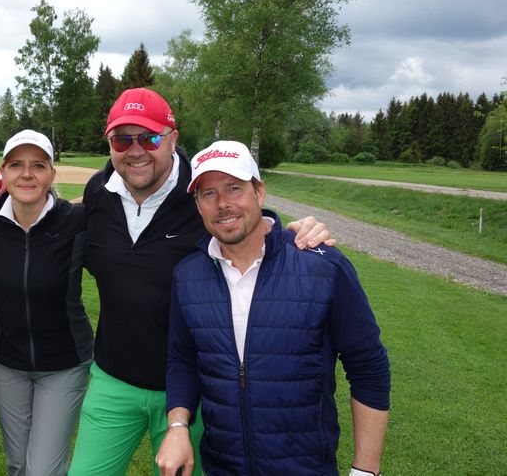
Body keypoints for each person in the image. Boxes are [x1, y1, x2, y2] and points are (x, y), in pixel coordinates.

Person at [68, 88, 335, 476]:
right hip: (112, 379)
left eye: (150, 137)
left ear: (173, 138)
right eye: (122, 139)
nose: (136, 150)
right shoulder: (100, 189)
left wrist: (299, 231)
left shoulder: (202, 191)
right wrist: (25, 195)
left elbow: (245, 221)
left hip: (191, 387)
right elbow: (68, 219)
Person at [156, 140, 391, 476]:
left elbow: (368, 367)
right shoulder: (187, 276)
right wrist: (178, 425)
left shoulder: (323, 266)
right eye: (208, 194)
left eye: (234, 188)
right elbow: (182, 359)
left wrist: (365, 471)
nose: (223, 204)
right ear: (198, 205)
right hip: (223, 467)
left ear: (260, 192)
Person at [0, 129, 93, 476]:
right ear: (2, 172)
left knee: (43, 469)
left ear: (51, 174)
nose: (27, 174)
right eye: (16, 164)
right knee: (18, 465)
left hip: (64, 364)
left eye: (38, 165)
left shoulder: (77, 221)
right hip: (6, 362)